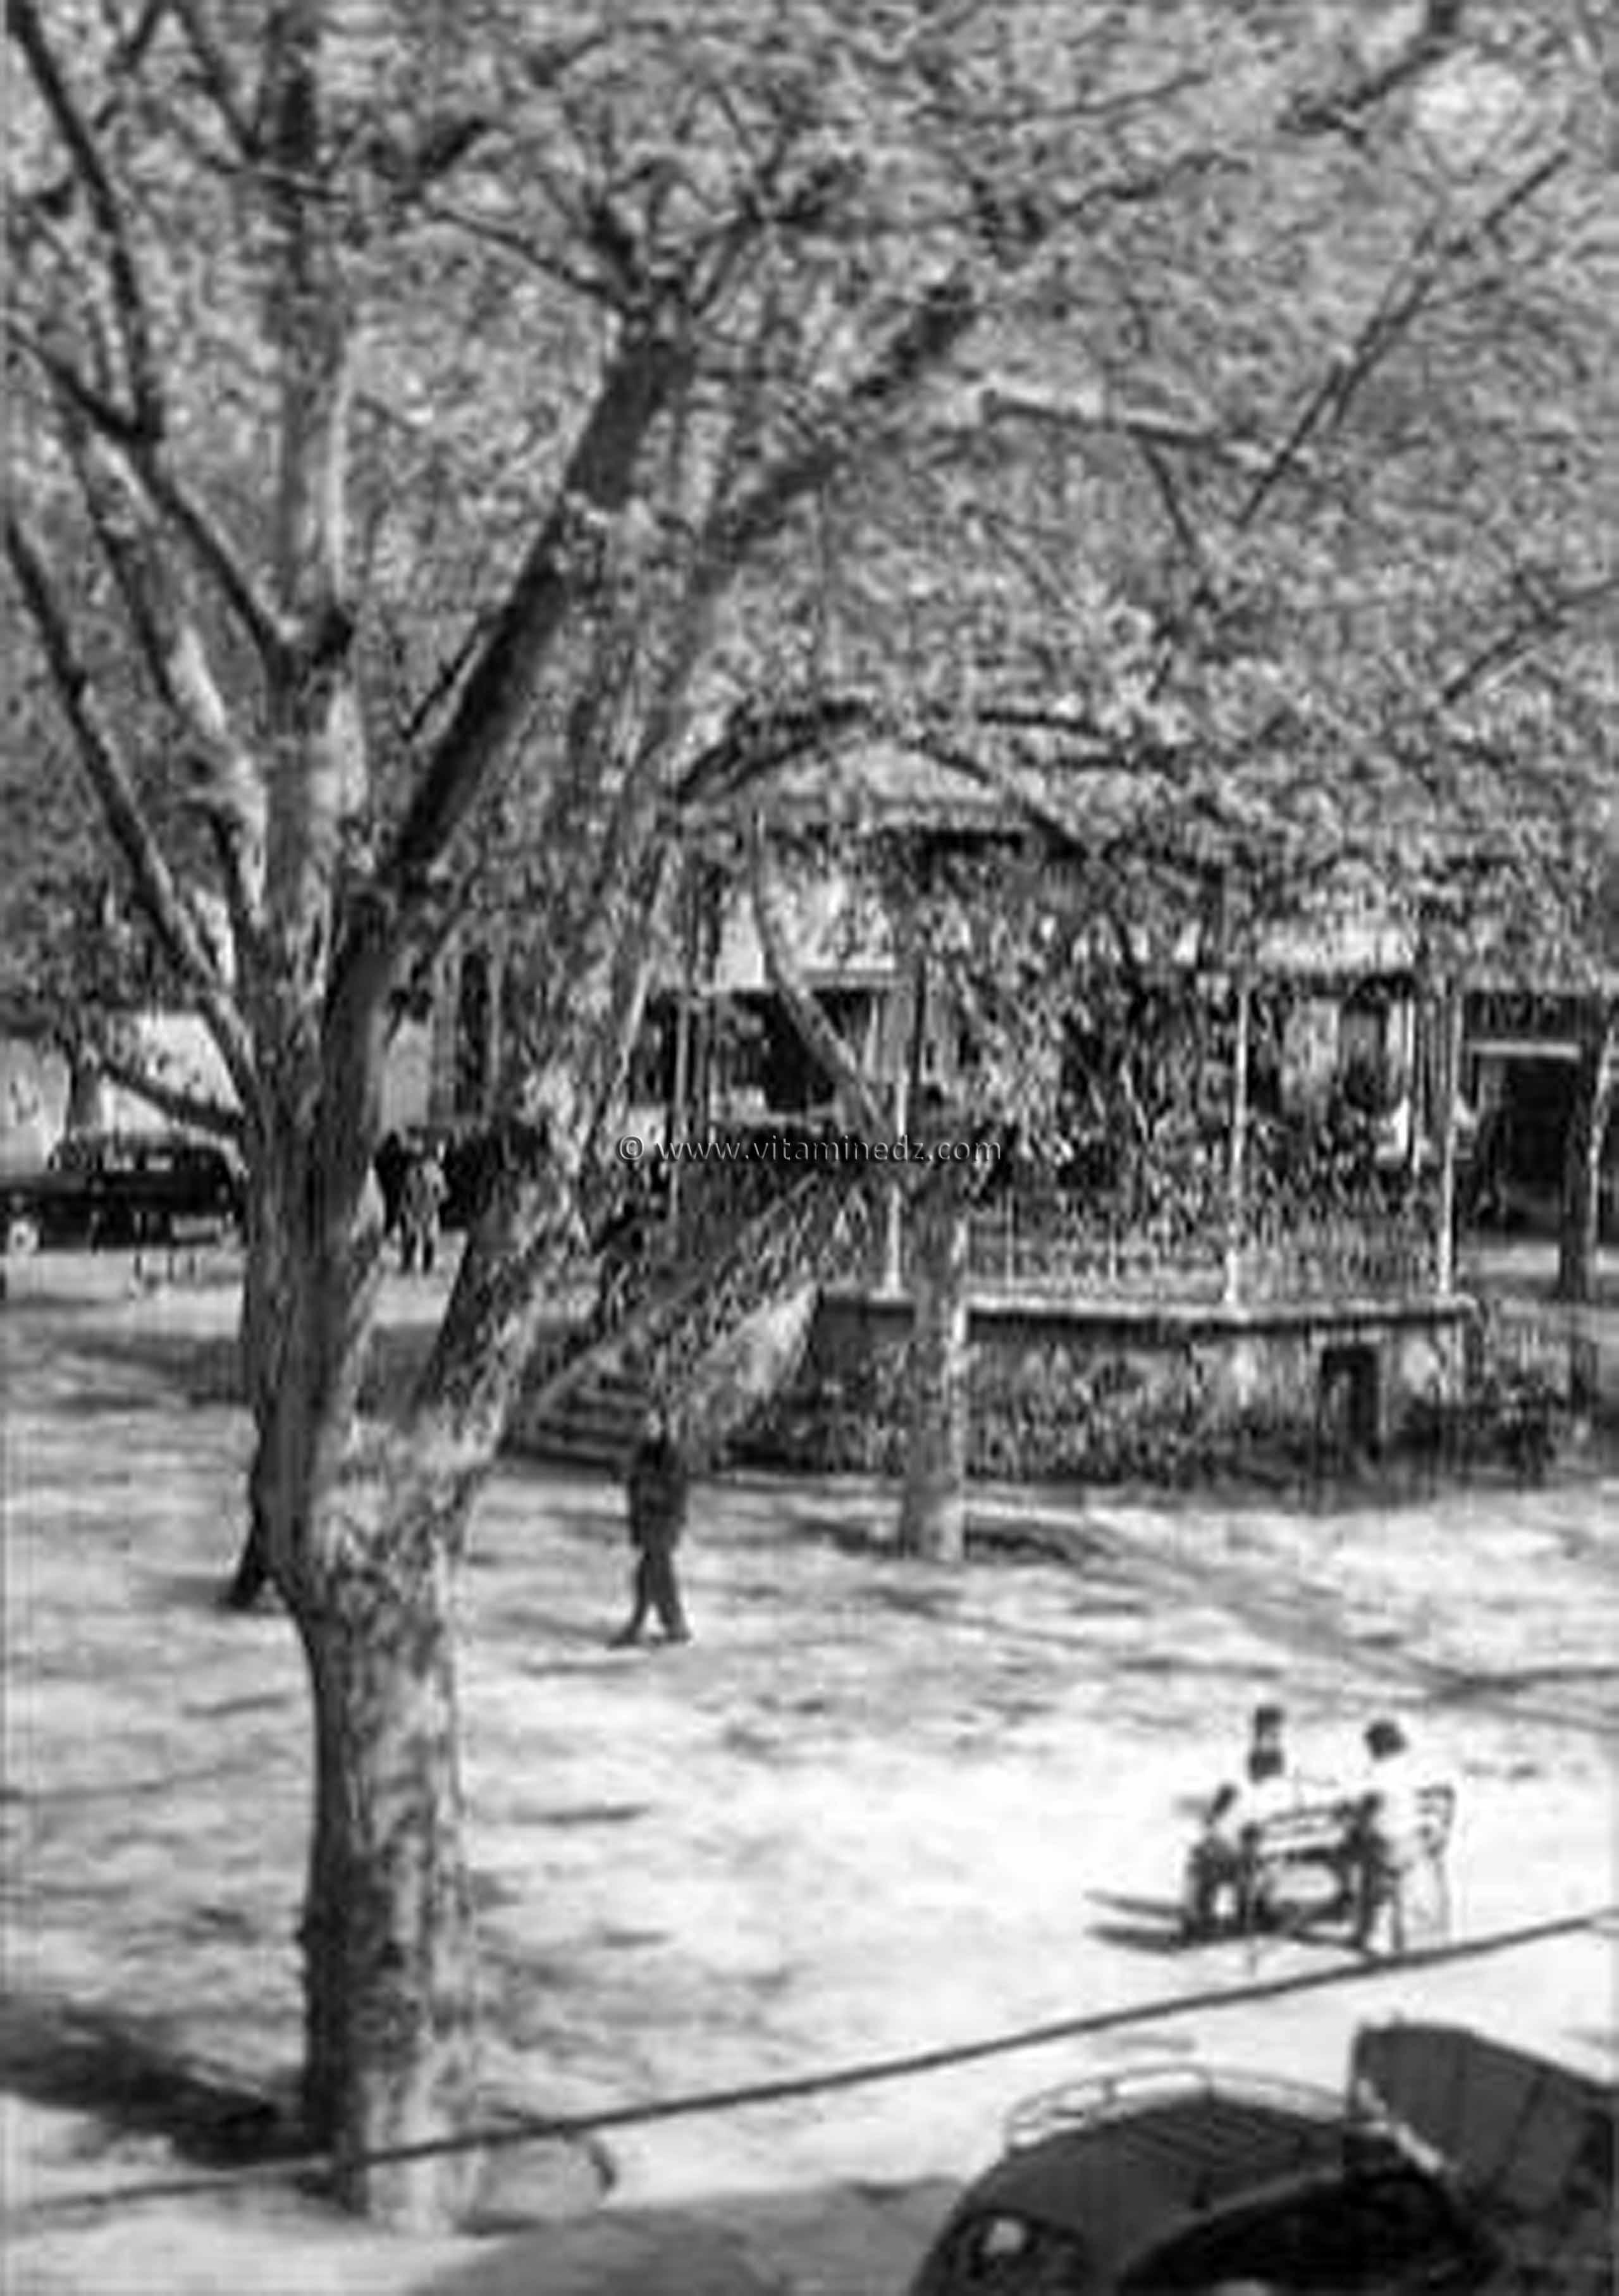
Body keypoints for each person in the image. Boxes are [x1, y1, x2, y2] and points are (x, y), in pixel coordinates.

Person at [1181, 1744, 1293, 1939]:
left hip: (1242, 1862)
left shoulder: (1239, 1793)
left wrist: (1213, 1820)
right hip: (1262, 1860)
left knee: (1201, 1861)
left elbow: (1211, 1825)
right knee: (1216, 1856)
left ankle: (1199, 1916)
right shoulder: (1282, 1794)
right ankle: (1256, 1907)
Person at [612, 1409, 692, 1648]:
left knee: (646, 1577)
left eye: (653, 1424)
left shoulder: (672, 1456)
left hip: (664, 1526)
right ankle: (676, 1626)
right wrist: (628, 1477)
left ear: (663, 1426)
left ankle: (636, 1626)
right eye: (644, 1424)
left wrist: (643, 1488)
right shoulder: (642, 1452)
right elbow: (630, 1480)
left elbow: (674, 1494)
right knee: (662, 1578)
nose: (647, 1429)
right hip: (647, 1525)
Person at [1349, 1716, 1427, 1953]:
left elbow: (1371, 1803)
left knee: (1371, 1880)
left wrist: (1355, 1819)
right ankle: (1402, 1933)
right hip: (1412, 1841)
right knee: (1399, 1888)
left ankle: (1372, 1934)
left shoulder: (1378, 1772)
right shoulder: (1407, 1767)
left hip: (1387, 1845)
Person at [398, 1139, 447, 1275]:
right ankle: (414, 1264)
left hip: (426, 1208)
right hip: (420, 1208)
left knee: (424, 1237)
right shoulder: (432, 1172)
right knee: (417, 1236)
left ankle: (418, 1265)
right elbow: (442, 1193)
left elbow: (441, 1193)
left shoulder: (432, 1172)